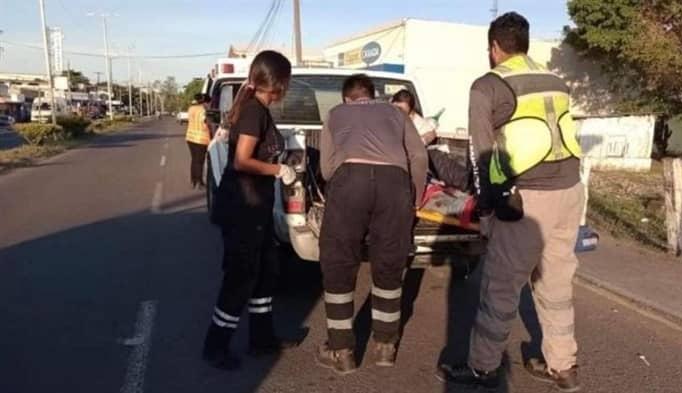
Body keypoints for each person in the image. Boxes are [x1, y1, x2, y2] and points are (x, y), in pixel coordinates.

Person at [439, 12, 584, 392]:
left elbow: (481, 152)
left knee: (501, 286)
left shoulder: (487, 85)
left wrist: (491, 203)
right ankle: (563, 366)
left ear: (493, 48)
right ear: (525, 44)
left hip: (528, 198)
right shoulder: (556, 81)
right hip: (571, 191)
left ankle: (483, 369)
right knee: (556, 281)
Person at [316, 74, 428, 374]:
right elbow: (418, 155)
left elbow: (326, 169)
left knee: (339, 262)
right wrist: (414, 198)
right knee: (390, 263)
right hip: (395, 184)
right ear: (373, 95)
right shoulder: (395, 112)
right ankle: (385, 347)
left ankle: (342, 352)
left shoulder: (335, 114)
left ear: (346, 99)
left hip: (349, 182)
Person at [202, 50, 300, 371]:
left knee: (265, 273)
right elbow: (242, 160)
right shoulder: (253, 112)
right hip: (244, 207)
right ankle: (215, 347)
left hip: (255, 208)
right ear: (277, 83)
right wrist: (277, 171)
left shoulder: (254, 105)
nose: (284, 91)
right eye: (284, 84)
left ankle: (262, 339)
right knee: (241, 278)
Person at [185, 93, 211, 189]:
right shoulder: (204, 110)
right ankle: (199, 182)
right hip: (201, 138)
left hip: (190, 137)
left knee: (194, 159)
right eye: (209, 103)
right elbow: (206, 122)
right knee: (200, 161)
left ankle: (194, 180)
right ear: (206, 102)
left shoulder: (191, 108)